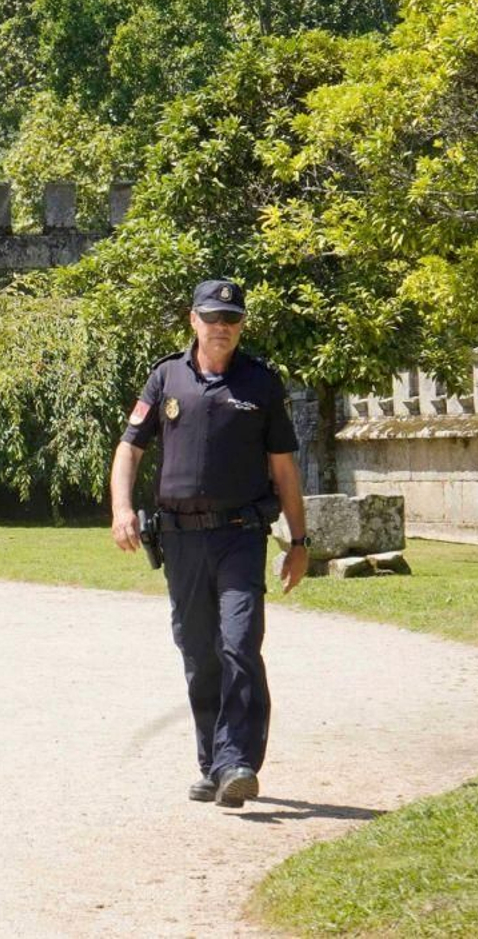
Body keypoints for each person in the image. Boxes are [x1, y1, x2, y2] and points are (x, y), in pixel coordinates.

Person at [109, 278, 310, 810]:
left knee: (239, 644)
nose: (222, 328)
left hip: (241, 536)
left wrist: (300, 540)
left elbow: (285, 470)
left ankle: (238, 761)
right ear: (193, 320)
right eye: (212, 318)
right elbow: (129, 449)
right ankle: (212, 763)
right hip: (180, 542)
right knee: (198, 653)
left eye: (232, 319)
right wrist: (122, 508)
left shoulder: (261, 383)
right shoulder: (166, 376)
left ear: (241, 325)